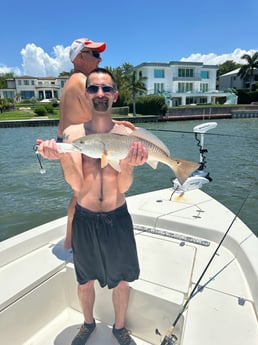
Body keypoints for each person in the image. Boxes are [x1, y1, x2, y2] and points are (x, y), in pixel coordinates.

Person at [37, 67, 148, 345]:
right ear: (86, 95)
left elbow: (123, 187)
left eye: (106, 89)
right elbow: (76, 184)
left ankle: (119, 328)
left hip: (117, 217)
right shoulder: (73, 134)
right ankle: (87, 324)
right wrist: (60, 155)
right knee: (84, 280)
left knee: (122, 280)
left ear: (115, 95)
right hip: (84, 219)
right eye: (93, 88)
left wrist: (128, 165)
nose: (100, 94)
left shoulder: (126, 134)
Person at [58, 38, 134, 248]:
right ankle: (72, 241)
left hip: (73, 142)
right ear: (81, 57)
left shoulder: (70, 82)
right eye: (96, 54)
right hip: (78, 145)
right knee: (82, 194)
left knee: (79, 193)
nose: (101, 58)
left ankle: (70, 241)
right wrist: (120, 124)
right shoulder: (82, 81)